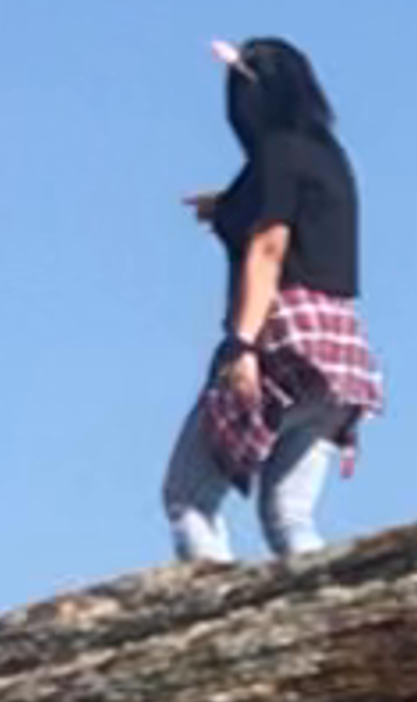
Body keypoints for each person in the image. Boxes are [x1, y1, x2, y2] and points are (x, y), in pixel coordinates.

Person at [163, 38, 383, 568]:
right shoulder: (327, 155)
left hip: (285, 335)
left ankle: (211, 607)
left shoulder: (276, 154)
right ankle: (325, 598)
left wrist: (242, 347)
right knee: (289, 514)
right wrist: (226, 207)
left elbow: (269, 247)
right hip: (340, 350)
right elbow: (301, 215)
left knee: (189, 496)